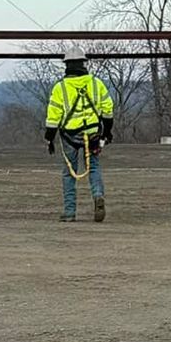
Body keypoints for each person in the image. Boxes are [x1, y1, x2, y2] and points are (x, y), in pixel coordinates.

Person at [45, 53, 115, 223]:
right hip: (92, 134)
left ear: (67, 65)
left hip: (69, 135)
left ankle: (69, 212)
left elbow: (53, 116)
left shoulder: (60, 88)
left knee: (69, 173)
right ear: (84, 64)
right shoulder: (96, 83)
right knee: (94, 168)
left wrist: (50, 138)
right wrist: (107, 132)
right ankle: (98, 196)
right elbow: (108, 109)